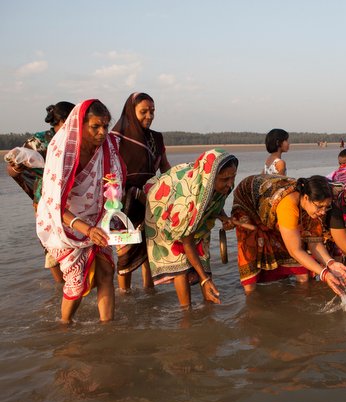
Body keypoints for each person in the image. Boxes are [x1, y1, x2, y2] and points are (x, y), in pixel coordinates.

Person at [36, 100, 124, 324]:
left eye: (105, 126)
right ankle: (65, 325)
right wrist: (86, 228)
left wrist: (110, 219)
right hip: (65, 225)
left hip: (98, 220)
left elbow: (112, 186)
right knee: (75, 282)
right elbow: (54, 204)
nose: (102, 132)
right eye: (96, 126)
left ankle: (108, 327)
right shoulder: (64, 151)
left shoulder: (107, 148)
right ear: (80, 125)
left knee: (106, 272)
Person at [144, 149, 238, 308]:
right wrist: (204, 279)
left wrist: (224, 218)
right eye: (225, 179)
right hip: (165, 209)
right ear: (210, 178)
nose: (230, 184)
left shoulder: (221, 183)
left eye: (233, 177)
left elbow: (215, 201)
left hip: (193, 212)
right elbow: (187, 243)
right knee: (179, 263)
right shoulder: (187, 203)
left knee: (203, 254)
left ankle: (209, 305)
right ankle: (186, 312)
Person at [231, 175, 346, 295]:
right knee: (250, 249)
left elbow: (314, 242)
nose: (323, 211)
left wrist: (331, 263)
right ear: (305, 197)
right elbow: (295, 250)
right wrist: (324, 274)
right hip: (247, 200)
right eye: (320, 207)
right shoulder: (288, 206)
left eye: (327, 206)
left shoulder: (315, 206)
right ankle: (251, 299)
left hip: (273, 207)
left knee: (302, 273)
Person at [6, 101, 75, 283]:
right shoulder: (39, 141)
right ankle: (62, 287)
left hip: (74, 199)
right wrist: (17, 167)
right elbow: (12, 169)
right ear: (60, 120)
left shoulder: (78, 140)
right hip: (45, 200)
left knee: (77, 242)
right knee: (51, 244)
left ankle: (75, 285)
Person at [110, 92, 171, 292]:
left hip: (150, 201)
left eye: (152, 111)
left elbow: (165, 168)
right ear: (130, 112)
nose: (149, 116)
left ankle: (149, 291)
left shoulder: (156, 138)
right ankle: (124, 295)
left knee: (149, 250)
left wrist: (174, 190)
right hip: (124, 203)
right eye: (143, 112)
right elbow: (109, 174)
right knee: (125, 254)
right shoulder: (116, 139)